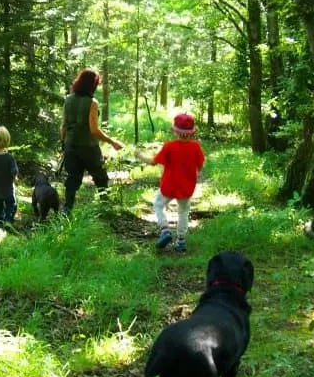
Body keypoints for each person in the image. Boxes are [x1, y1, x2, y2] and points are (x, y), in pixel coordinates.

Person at [135, 113, 205, 252]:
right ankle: (181, 241)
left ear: (175, 131)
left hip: (169, 184)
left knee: (158, 204)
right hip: (186, 186)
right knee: (183, 211)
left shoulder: (169, 146)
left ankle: (165, 230)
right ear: (192, 132)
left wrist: (139, 155)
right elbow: (200, 165)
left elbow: (153, 162)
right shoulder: (195, 147)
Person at [60, 69, 124, 214]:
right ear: (92, 85)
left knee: (72, 179)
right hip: (89, 148)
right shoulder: (92, 103)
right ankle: (106, 209)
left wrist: (63, 144)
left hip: (70, 145)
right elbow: (94, 130)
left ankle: (67, 210)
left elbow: (63, 125)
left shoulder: (68, 100)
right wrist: (112, 141)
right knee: (101, 178)